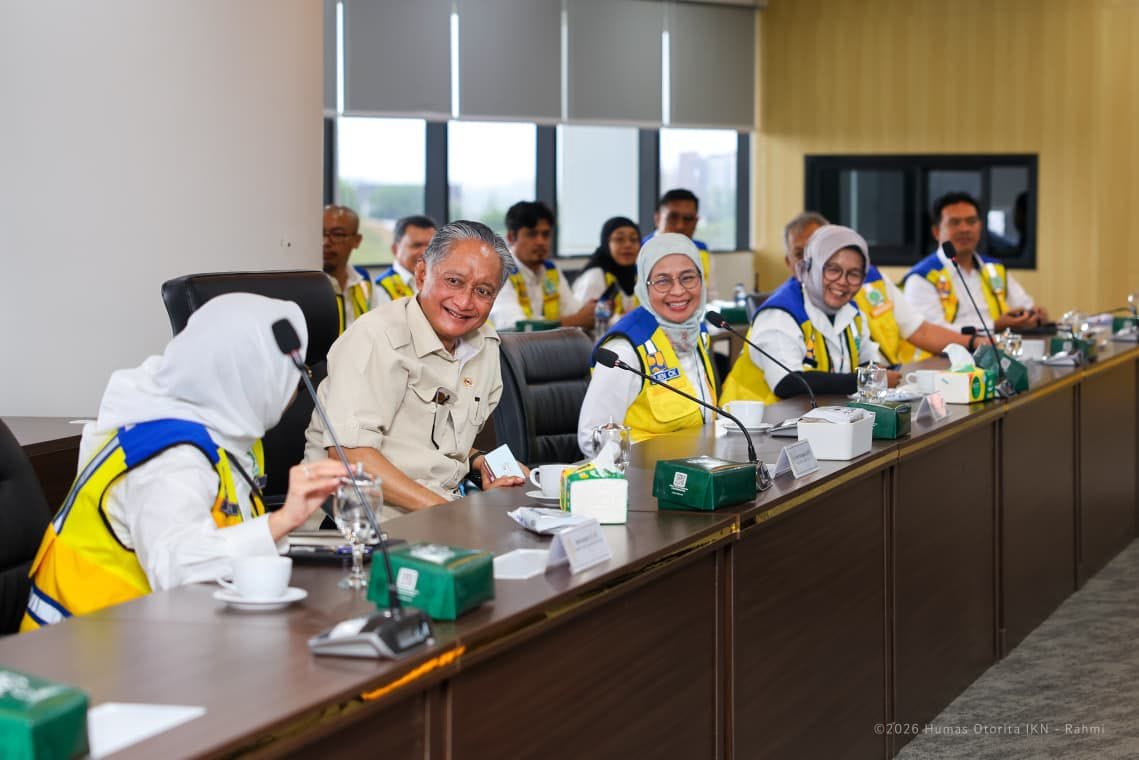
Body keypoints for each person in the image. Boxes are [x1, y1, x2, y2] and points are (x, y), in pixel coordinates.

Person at [21, 294, 348, 631]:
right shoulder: (172, 455)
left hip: (149, 630)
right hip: (83, 652)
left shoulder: (218, 430)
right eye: (294, 374)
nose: (295, 387)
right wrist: (285, 519)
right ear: (254, 378)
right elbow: (178, 569)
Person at [305, 220, 526, 515]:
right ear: (421, 274)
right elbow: (350, 455)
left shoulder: (484, 345)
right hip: (361, 526)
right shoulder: (377, 338)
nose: (464, 302)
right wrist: (450, 514)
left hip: (440, 513)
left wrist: (480, 460)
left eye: (483, 291)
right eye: (454, 281)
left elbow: (431, 444)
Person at [722, 225, 899, 404]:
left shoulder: (853, 312)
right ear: (812, 267)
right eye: (832, 270)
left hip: (812, 417)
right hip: (750, 423)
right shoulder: (780, 313)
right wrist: (864, 382)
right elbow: (788, 382)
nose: (843, 282)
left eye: (854, 274)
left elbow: (868, 364)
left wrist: (878, 373)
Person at [578, 233, 717, 455]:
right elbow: (591, 437)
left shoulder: (694, 334)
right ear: (644, 286)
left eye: (688, 277)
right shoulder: (625, 350)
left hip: (694, 472)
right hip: (645, 480)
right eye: (663, 281)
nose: (679, 290)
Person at [783, 212, 987, 363]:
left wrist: (973, 342)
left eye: (819, 250)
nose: (810, 261)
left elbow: (920, 331)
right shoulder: (789, 307)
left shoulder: (873, 279)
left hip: (889, 385)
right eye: (800, 254)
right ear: (788, 262)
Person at [902, 192, 1047, 334]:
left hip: (996, 352)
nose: (965, 229)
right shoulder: (922, 277)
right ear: (936, 231)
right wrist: (994, 326)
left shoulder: (994, 269)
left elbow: (1024, 305)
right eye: (955, 223)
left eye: (971, 221)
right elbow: (931, 333)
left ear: (980, 226)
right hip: (945, 357)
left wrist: (1034, 315)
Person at [489, 201, 596, 330]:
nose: (541, 242)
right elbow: (517, 327)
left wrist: (588, 312)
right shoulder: (499, 270)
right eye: (532, 234)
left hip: (545, 347)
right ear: (511, 237)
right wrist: (575, 321)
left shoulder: (551, 270)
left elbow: (573, 311)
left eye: (545, 234)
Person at [644, 189, 715, 297]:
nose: (680, 226)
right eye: (673, 217)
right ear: (657, 219)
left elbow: (710, 296)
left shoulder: (702, 252)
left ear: (696, 222)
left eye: (688, 219)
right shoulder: (637, 252)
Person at [571, 216, 641, 321]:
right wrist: (625, 320)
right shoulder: (594, 276)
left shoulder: (640, 276)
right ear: (606, 243)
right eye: (619, 239)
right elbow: (584, 322)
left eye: (634, 239)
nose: (628, 245)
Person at [322, 204, 374, 333]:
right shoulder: (307, 285)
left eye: (337, 235)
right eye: (321, 233)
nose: (326, 242)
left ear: (357, 241)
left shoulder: (364, 280)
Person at [373, 215, 437, 303]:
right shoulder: (380, 289)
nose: (425, 252)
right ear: (395, 249)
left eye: (431, 246)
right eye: (416, 245)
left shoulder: (440, 281)